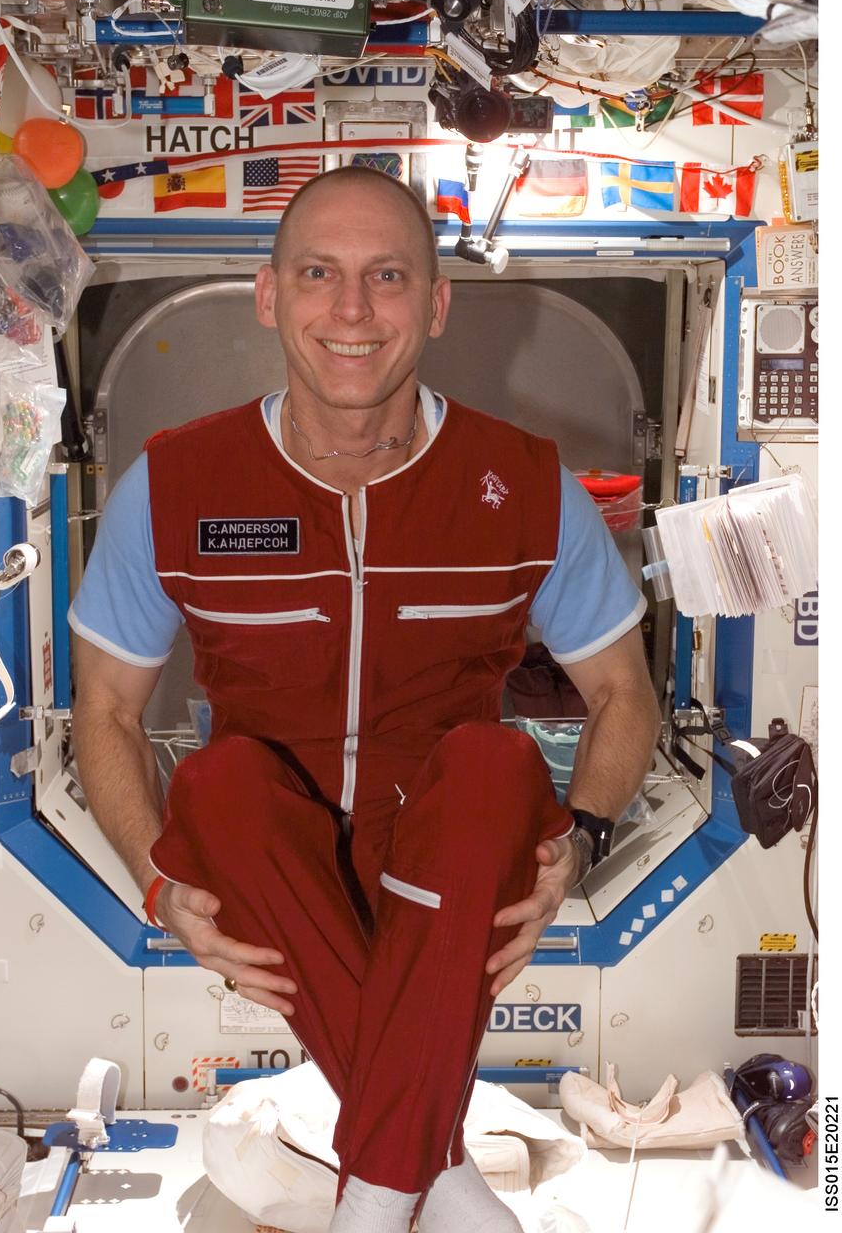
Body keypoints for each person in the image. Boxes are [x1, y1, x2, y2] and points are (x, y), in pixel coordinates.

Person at [69, 166, 661, 1232]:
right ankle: (434, 1176)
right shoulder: (171, 484)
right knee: (221, 778)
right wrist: (158, 885)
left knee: (496, 764)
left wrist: (581, 836)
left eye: (387, 276)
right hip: (268, 868)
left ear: (434, 304)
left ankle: (380, 1198)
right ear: (268, 293)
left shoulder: (527, 483)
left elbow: (624, 694)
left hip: (453, 859)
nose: (351, 311)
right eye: (318, 274)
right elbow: (105, 712)